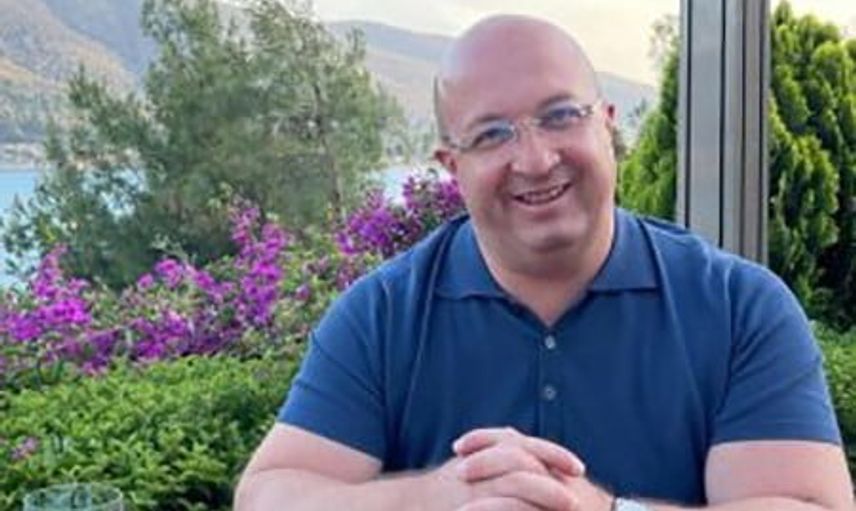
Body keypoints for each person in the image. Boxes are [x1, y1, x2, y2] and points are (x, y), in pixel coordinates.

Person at [235, 14, 854, 511]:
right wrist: (438, 497)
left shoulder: (738, 307)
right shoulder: (383, 315)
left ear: (607, 126)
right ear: (452, 167)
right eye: (491, 135)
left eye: (560, 116)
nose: (534, 160)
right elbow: (269, 495)